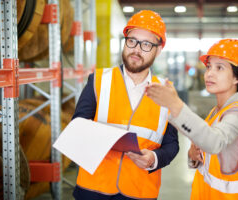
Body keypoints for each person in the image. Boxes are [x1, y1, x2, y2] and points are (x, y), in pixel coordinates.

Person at [145, 38, 238, 199]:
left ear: (236, 78)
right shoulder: (217, 111)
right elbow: (208, 151)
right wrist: (193, 156)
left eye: (219, 68)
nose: (209, 73)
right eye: (208, 67)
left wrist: (176, 105)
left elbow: (214, 142)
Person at [72, 10, 179, 200]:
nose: (136, 50)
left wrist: (153, 159)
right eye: (132, 41)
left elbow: (172, 145)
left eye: (146, 44)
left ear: (159, 49)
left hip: (139, 191)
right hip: (93, 189)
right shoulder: (98, 81)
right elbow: (76, 129)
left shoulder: (167, 92)